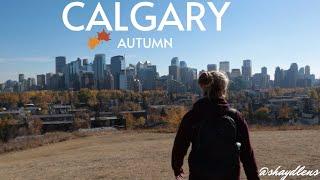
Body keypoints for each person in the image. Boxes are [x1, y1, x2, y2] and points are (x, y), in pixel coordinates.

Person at [171, 71, 260, 180]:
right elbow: (247, 154)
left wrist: (177, 167)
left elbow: (180, 145)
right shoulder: (235, 116)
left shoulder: (193, 115)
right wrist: (253, 177)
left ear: (203, 88)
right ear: (223, 89)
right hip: (229, 175)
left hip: (199, 175)